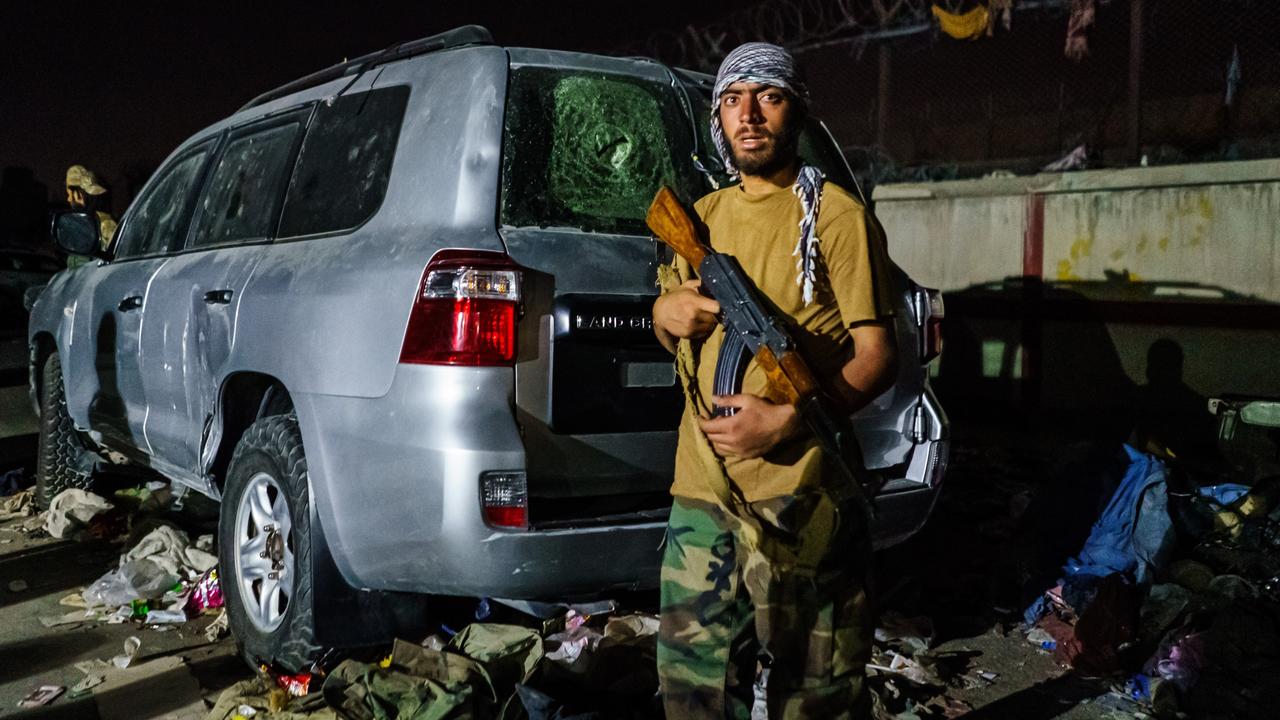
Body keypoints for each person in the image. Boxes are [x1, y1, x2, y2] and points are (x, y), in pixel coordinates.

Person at [651, 42, 898, 719]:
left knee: (814, 688)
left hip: (801, 495)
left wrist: (789, 419)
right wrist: (665, 313)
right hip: (701, 491)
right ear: (718, 119)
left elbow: (878, 354)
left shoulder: (837, 217)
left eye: (769, 96)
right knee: (691, 684)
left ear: (797, 110)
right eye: (733, 100)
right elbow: (670, 324)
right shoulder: (700, 218)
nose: (749, 114)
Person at [64, 164, 117, 269]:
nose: (68, 199)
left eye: (70, 194)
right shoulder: (83, 224)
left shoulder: (105, 225)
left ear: (80, 194)